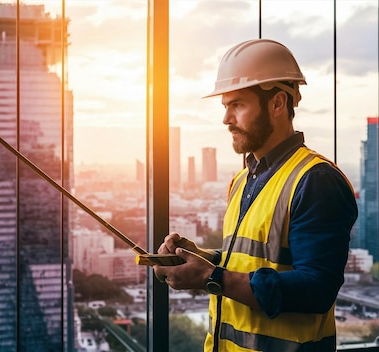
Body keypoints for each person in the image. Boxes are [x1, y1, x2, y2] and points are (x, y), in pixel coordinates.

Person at [153, 38, 358, 352]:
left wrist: (211, 276)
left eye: (237, 105)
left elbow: (317, 289)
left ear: (277, 103)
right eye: (225, 107)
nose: (226, 119)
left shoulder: (315, 181)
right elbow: (254, 263)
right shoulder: (242, 179)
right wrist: (202, 258)